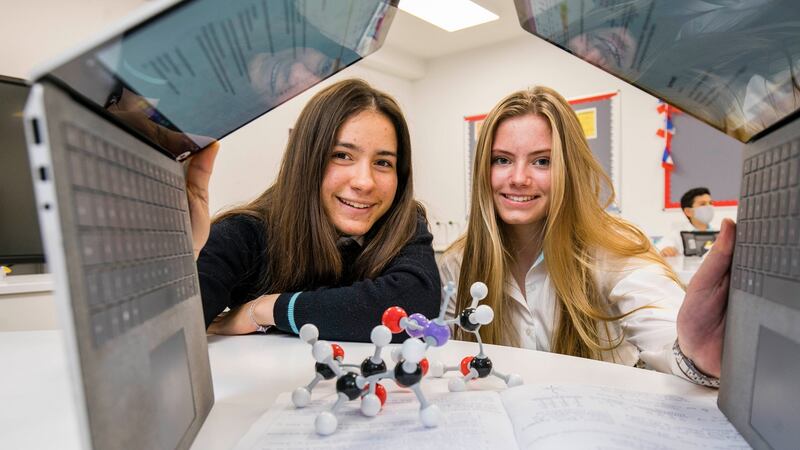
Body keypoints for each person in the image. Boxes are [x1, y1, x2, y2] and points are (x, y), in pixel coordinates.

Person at [440, 86, 734, 385]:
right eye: (501, 160)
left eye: (542, 161)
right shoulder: (457, 262)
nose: (518, 179)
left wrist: (694, 352)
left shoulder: (612, 248)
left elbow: (663, 331)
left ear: (571, 169)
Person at [196, 79, 440, 342]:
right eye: (342, 155)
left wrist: (266, 309)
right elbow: (164, 330)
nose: (364, 182)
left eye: (383, 162)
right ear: (306, 160)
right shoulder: (244, 233)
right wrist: (184, 249)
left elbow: (414, 307)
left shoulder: (403, 223)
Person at [658, 187, 716, 257]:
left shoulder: (721, 231)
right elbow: (658, 249)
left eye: (710, 203)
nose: (709, 207)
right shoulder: (677, 235)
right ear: (688, 211)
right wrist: (665, 250)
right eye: (702, 204)